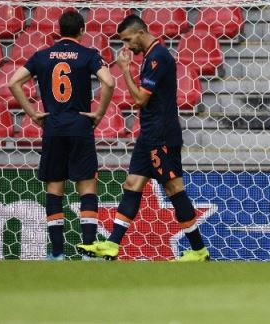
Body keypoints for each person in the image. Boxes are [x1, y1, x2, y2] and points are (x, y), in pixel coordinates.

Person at [78, 14, 210, 262]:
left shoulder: (158, 58)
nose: (126, 46)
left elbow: (139, 99)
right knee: (132, 184)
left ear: (140, 32)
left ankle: (199, 250)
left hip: (160, 135)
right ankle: (112, 245)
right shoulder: (151, 57)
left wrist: (126, 71)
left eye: (128, 40)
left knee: (174, 189)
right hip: (148, 135)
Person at [8, 10, 115, 260]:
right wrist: (98, 113)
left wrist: (34, 114)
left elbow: (13, 82)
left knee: (55, 189)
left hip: (53, 129)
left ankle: (57, 254)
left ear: (59, 30)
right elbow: (109, 83)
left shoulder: (42, 56)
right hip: (80, 127)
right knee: (87, 188)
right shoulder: (88, 54)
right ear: (81, 30)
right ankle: (88, 252)